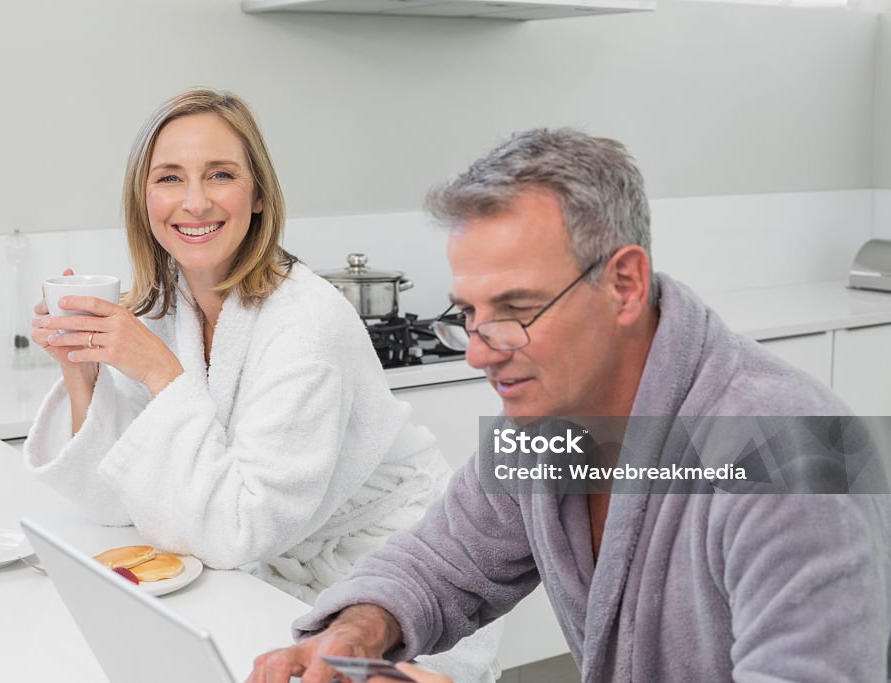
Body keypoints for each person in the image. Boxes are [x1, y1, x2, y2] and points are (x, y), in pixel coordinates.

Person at [248, 128, 891, 682]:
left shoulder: (797, 459)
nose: (478, 354)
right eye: (469, 314)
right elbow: (443, 562)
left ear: (626, 284)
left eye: (519, 310)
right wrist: (359, 631)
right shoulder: (558, 423)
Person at [23, 88, 501, 682]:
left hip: (378, 587)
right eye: (169, 178)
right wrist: (82, 369)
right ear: (143, 199)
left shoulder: (307, 323)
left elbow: (239, 531)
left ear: (257, 195)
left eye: (219, 174)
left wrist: (158, 373)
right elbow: (117, 498)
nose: (194, 202)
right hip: (258, 575)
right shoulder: (164, 309)